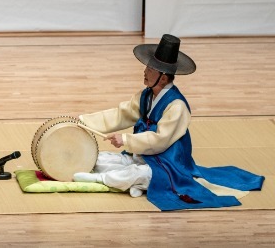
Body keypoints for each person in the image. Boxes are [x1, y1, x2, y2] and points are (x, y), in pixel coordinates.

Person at [74, 34, 264, 211]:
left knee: (139, 173)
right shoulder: (146, 96)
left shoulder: (177, 106)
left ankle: (101, 179)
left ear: (163, 78)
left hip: (168, 164)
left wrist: (125, 139)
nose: (144, 72)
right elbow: (121, 114)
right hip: (143, 154)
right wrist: (84, 121)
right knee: (103, 158)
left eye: (150, 70)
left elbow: (160, 140)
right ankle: (137, 185)